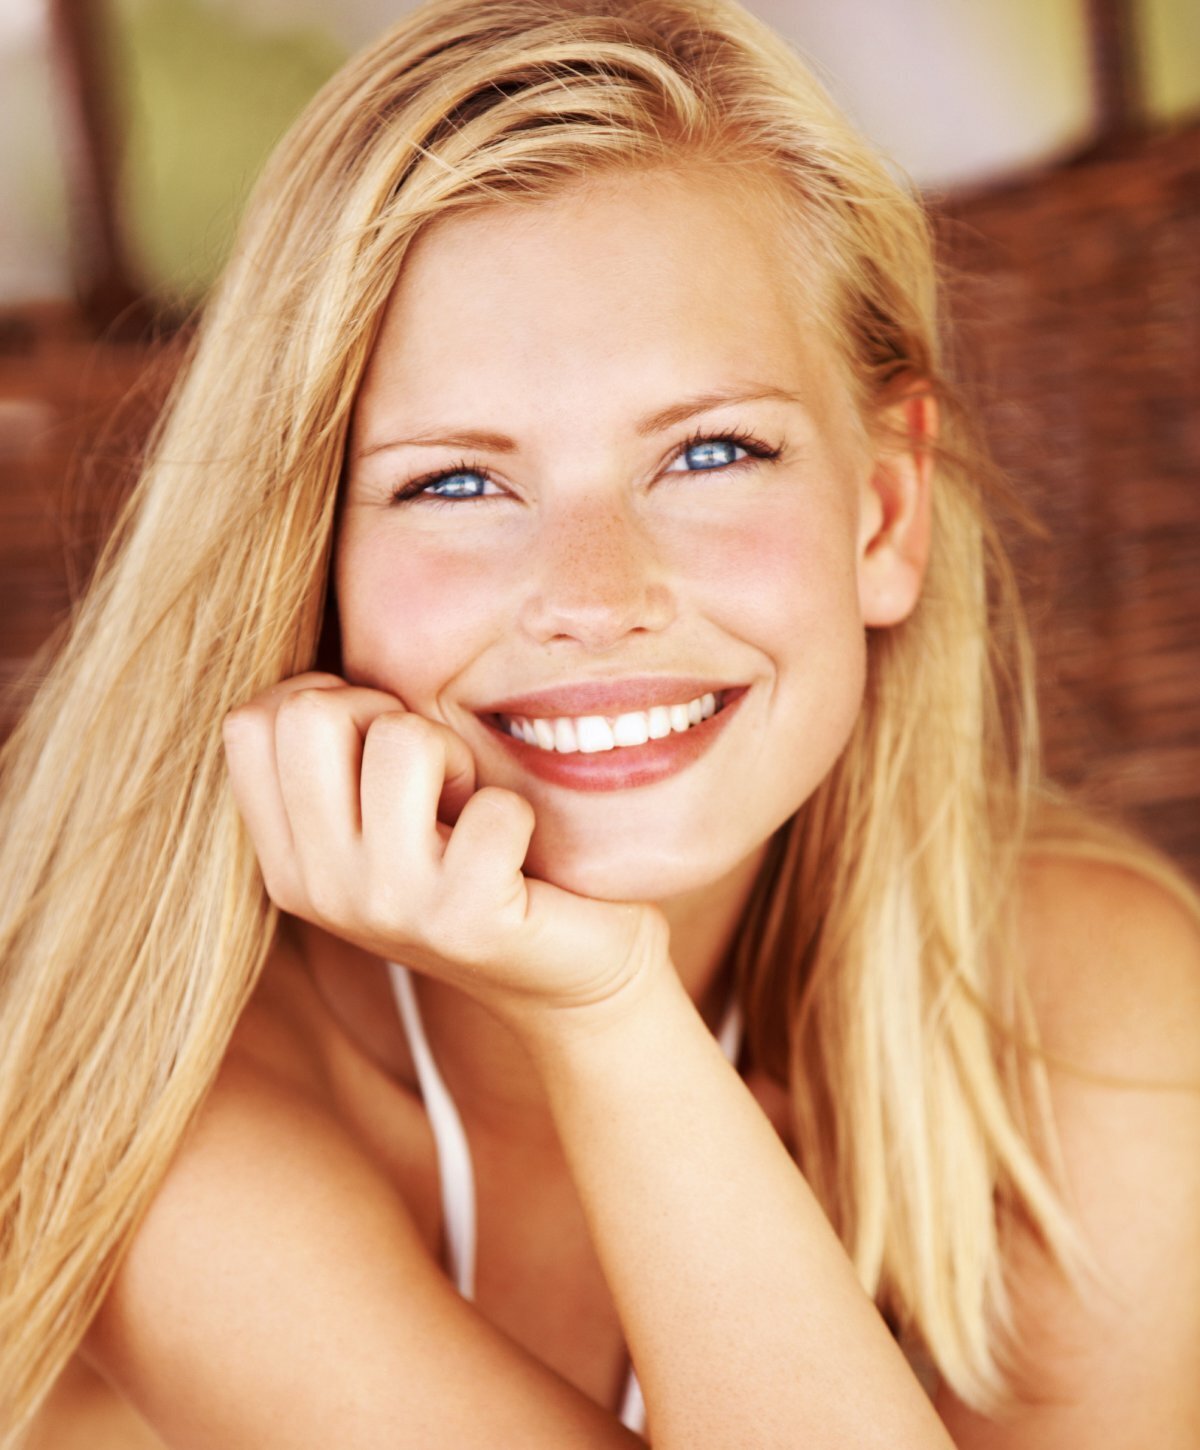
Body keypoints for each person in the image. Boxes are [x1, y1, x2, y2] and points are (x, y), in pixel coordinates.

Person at [2, 0, 1198, 1444]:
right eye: (455, 483)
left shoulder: (1095, 1018)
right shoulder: (172, 1116)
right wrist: (609, 1009)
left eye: (710, 451)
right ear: (305, 549)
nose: (596, 596)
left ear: (882, 513)